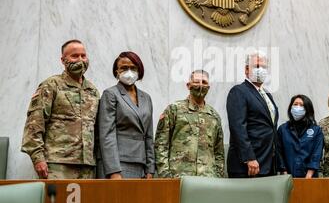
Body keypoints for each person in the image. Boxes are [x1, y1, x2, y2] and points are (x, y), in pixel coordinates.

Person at [21, 39, 100, 179]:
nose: (80, 60)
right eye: (74, 56)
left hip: (88, 166)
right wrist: (38, 158)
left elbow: (97, 129)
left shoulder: (92, 91)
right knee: (55, 201)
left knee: (86, 202)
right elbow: (34, 124)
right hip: (57, 164)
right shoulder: (51, 85)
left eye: (83, 56)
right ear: (63, 60)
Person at [154, 70, 224, 177]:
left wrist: (218, 175)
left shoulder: (214, 116)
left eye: (204, 82)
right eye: (196, 82)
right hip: (179, 177)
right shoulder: (174, 110)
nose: (200, 85)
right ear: (188, 85)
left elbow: (219, 152)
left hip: (208, 179)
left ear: (208, 87)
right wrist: (165, 175)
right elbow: (161, 145)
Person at [96, 51, 155, 179]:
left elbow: (149, 135)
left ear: (139, 70)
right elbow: (107, 134)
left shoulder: (146, 98)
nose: (129, 71)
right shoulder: (110, 94)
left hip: (141, 164)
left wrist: (150, 168)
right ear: (116, 72)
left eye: (133, 68)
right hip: (118, 164)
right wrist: (113, 170)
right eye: (124, 68)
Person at [226, 51, 279, 178]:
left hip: (266, 163)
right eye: (256, 66)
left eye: (264, 67)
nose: (261, 70)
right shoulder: (239, 91)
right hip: (247, 166)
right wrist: (249, 158)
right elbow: (238, 127)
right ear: (246, 69)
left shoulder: (267, 94)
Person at [277, 95, 323, 178]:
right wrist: (284, 172)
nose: (298, 107)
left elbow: (316, 154)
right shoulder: (283, 129)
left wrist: (309, 175)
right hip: (287, 176)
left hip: (309, 177)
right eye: (295, 104)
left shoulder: (316, 130)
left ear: (307, 109)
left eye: (301, 105)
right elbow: (279, 152)